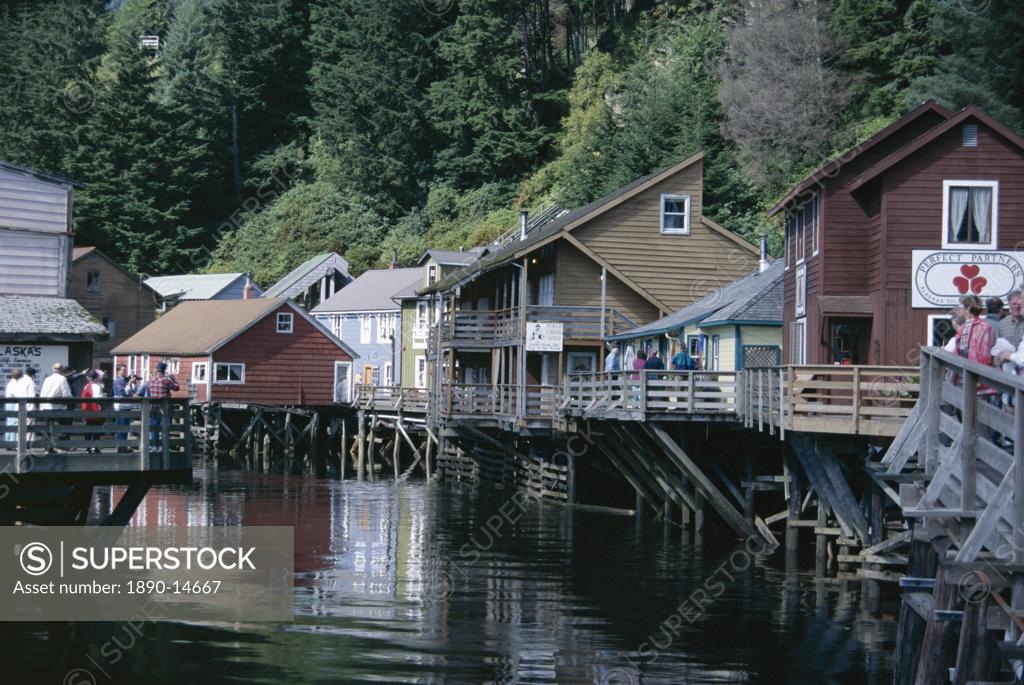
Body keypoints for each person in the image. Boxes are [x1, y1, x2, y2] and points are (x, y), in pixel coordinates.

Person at [954, 295, 996, 399]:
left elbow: (985, 357)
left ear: (968, 308)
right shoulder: (964, 327)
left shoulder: (984, 327)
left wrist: (977, 380)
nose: (958, 309)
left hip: (976, 382)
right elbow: (959, 352)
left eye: (960, 306)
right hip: (962, 379)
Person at [40, 363, 73, 452]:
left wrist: (42, 406)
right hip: (59, 407)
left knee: (47, 427)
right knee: (62, 427)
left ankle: (48, 447)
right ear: (61, 369)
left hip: (47, 407)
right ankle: (62, 446)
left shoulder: (47, 379)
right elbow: (66, 394)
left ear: (52, 369)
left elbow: (43, 393)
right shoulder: (62, 379)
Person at [147, 362, 179, 447]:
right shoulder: (166, 380)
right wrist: (174, 379)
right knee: (165, 428)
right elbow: (177, 388)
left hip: (153, 407)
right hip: (164, 408)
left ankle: (154, 446)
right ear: (164, 370)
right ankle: (163, 446)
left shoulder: (151, 381)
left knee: (154, 428)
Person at [80, 370, 103, 453]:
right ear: (96, 377)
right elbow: (99, 399)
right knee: (97, 429)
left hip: (87, 410)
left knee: (89, 429)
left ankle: (88, 447)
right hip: (95, 410)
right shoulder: (97, 387)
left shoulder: (86, 386)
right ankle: (95, 447)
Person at [998, 290, 1024, 358]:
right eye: (1014, 304)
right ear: (1009, 304)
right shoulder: (1002, 323)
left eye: (1019, 304)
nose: (1016, 307)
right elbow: (997, 347)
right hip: (1006, 365)